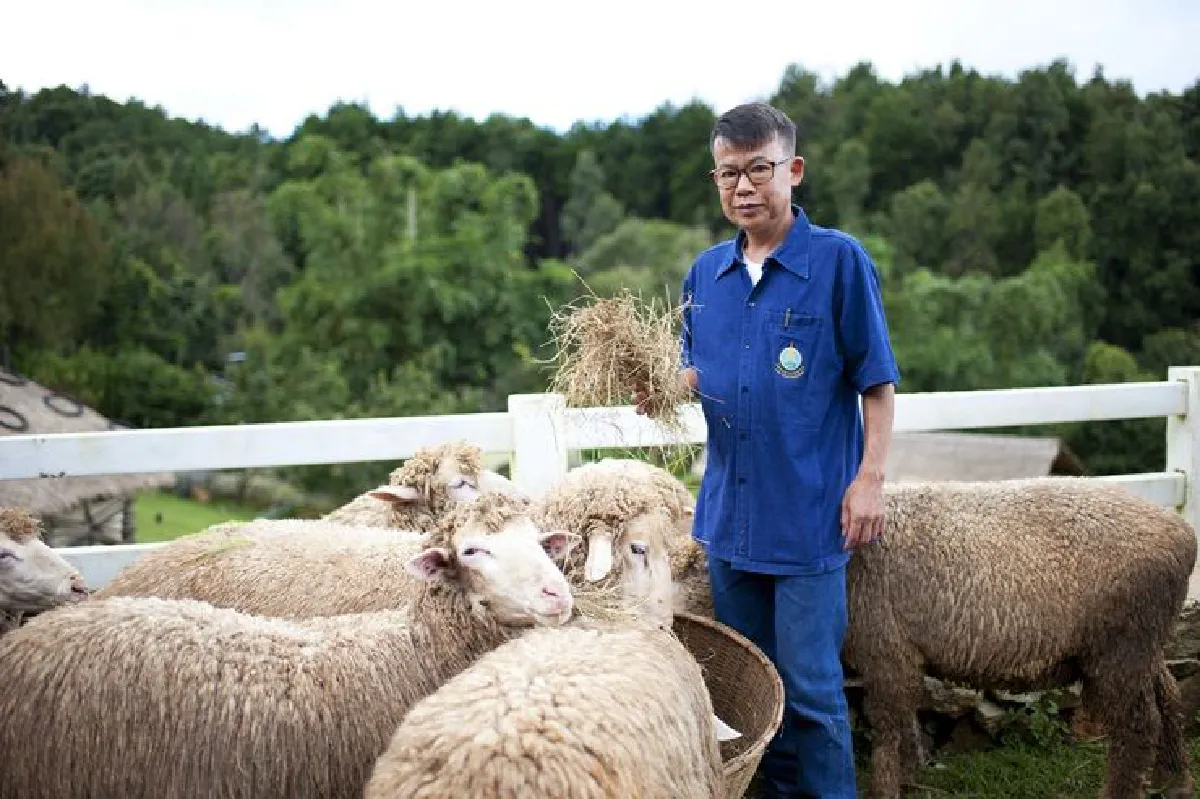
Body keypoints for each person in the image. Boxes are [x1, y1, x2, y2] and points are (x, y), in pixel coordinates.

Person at [633, 102, 900, 798]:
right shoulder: (705, 275)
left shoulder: (839, 263)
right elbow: (700, 374)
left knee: (811, 695)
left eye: (759, 169)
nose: (744, 186)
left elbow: (877, 382)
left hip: (810, 521)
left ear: (794, 170)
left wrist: (869, 479)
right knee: (753, 696)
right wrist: (661, 384)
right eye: (729, 173)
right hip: (729, 525)